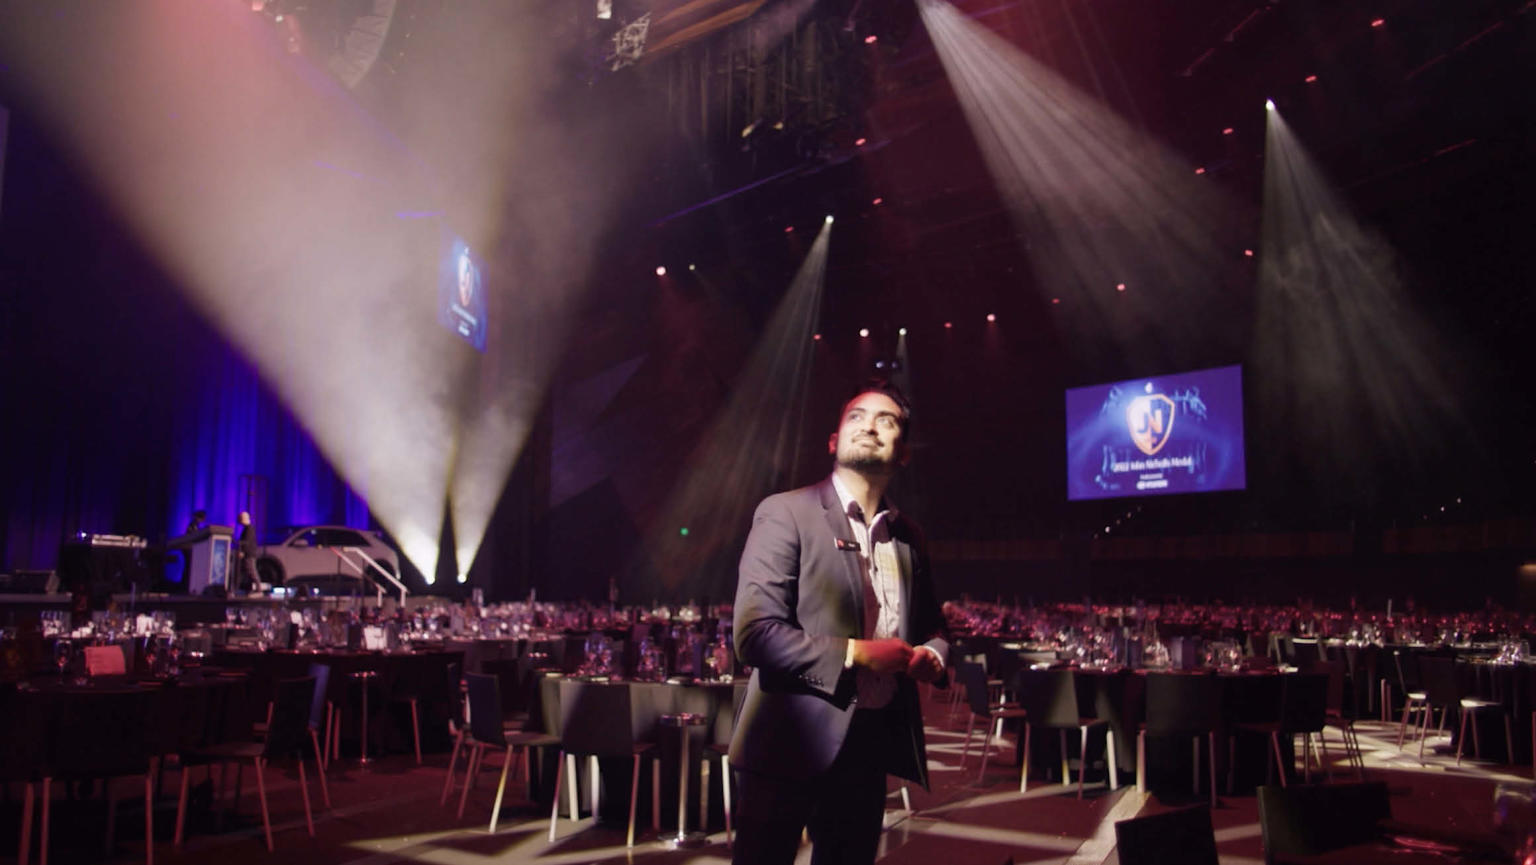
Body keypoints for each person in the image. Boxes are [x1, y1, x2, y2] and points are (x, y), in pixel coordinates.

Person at [729, 382, 948, 865]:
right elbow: (753, 635)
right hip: (786, 742)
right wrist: (859, 652)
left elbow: (934, 624)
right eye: (857, 417)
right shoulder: (786, 512)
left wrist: (933, 654)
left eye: (886, 421)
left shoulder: (910, 536)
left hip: (869, 741)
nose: (869, 425)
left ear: (903, 453)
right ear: (833, 441)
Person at [236, 511, 260, 593]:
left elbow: (247, 542)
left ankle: (258, 589)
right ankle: (249, 589)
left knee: (252, 571)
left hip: (249, 554)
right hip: (248, 554)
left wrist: (243, 552)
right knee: (247, 572)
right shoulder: (247, 529)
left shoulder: (249, 529)